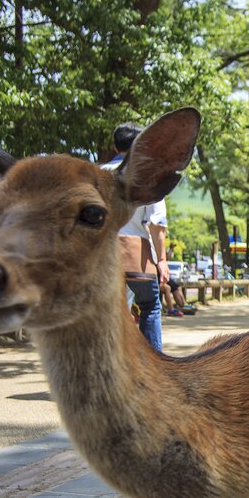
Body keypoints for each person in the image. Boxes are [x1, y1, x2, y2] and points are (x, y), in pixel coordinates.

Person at [102, 122, 169, 352]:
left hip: (102, 255)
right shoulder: (146, 176)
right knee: (149, 306)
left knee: (106, 312)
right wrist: (161, 260)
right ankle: (154, 366)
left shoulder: (96, 175)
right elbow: (157, 223)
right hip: (136, 255)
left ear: (115, 145)